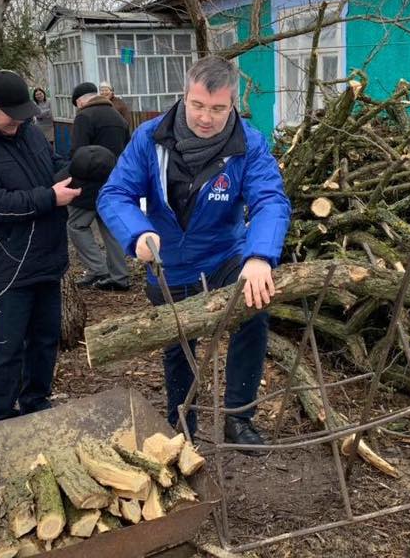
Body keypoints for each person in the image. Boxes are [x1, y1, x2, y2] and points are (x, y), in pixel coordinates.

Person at [98, 56, 291, 446]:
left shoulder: (249, 144)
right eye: (198, 105)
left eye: (218, 108)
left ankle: (239, 418)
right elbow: (115, 193)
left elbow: (270, 200)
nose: (206, 117)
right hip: (168, 260)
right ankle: (181, 422)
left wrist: (259, 257)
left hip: (225, 255)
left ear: (233, 104)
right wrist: (138, 233)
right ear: (184, 97)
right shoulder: (150, 138)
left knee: (253, 313)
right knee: (178, 346)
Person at [0, 70, 80, 424]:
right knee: (8, 344)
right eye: (12, 114)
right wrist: (50, 197)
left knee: (45, 338)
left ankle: (37, 401)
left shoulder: (29, 132)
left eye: (24, 114)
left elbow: (51, 167)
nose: (19, 121)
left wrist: (76, 171)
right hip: (8, 262)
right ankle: (3, 415)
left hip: (48, 256)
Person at [68, 82, 131, 290]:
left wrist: (70, 181)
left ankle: (97, 269)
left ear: (80, 101)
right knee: (110, 228)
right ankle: (120, 276)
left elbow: (79, 154)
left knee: (76, 225)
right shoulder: (118, 118)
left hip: (88, 183)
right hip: (114, 182)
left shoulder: (84, 117)